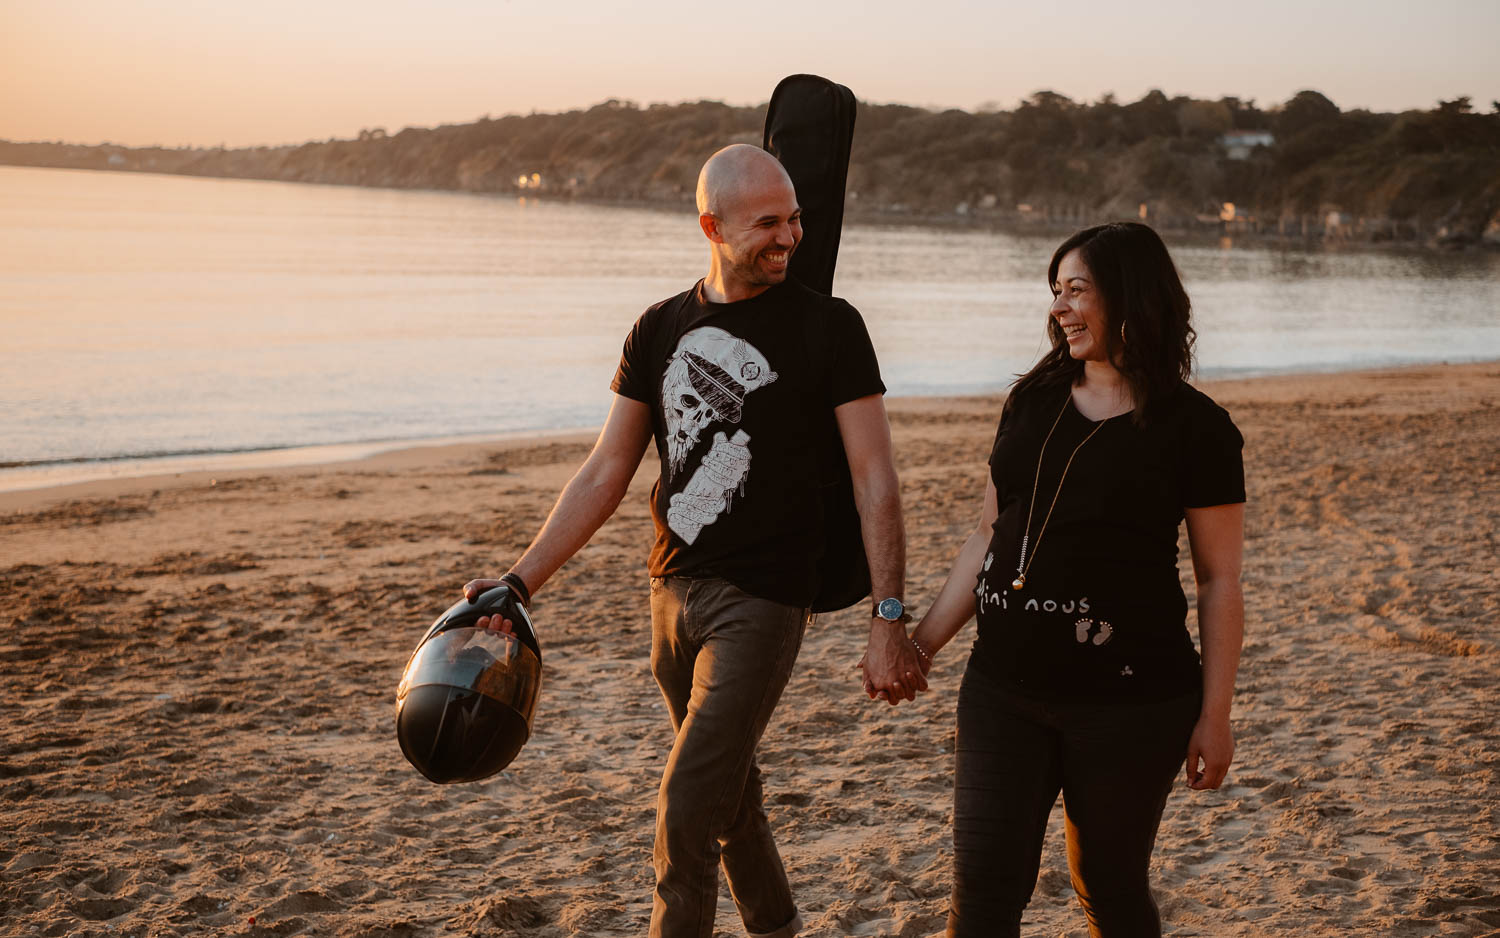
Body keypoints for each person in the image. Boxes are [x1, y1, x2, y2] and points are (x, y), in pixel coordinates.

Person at [462, 143, 924, 938]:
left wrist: (888, 615)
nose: (790, 237)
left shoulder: (830, 328)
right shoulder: (659, 327)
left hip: (767, 600)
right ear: (711, 225)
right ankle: (777, 926)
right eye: (768, 224)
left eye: (796, 219)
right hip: (670, 593)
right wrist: (520, 580)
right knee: (727, 790)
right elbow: (607, 469)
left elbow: (875, 478)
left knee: (685, 806)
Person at [903, 222, 1245, 937]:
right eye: (1055, 292)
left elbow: (1219, 582)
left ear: (1131, 298)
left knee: (1110, 892)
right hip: (1003, 690)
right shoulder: (1031, 402)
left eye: (1077, 290)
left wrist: (1215, 715)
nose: (1059, 308)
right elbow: (989, 537)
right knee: (982, 896)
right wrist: (923, 644)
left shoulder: (1197, 429)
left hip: (1134, 703)